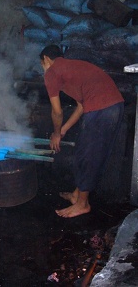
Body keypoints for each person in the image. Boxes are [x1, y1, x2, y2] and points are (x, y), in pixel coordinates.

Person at [39, 45, 124, 218]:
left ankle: (83, 204)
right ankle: (78, 195)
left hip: (102, 108)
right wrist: (63, 130)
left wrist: (55, 133)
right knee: (86, 152)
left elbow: (57, 111)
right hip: (113, 106)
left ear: (46, 59)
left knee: (89, 155)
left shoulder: (52, 72)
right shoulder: (72, 68)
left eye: (42, 64)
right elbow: (81, 106)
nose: (43, 69)